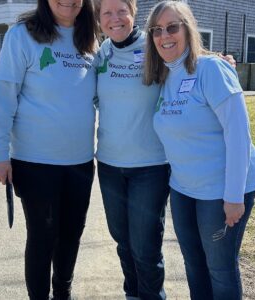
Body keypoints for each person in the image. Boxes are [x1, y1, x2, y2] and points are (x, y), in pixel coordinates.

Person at [144, 1, 255, 300]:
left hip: (222, 189)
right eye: (157, 30)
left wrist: (234, 197)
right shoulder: (165, 75)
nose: (164, 35)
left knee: (220, 270)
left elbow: (238, 135)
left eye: (172, 27)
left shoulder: (211, 69)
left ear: (188, 29)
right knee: (194, 266)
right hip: (184, 189)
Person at [0, 1, 99, 299]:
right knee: (42, 237)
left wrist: (202, 57)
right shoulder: (22, 35)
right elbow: (3, 95)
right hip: (35, 162)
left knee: (72, 235)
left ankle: (63, 293)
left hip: (80, 162)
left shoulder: (91, 39)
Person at [95, 0, 170, 299]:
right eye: (106, 12)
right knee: (123, 241)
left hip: (150, 167)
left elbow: (187, 58)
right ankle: (132, 293)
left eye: (121, 10)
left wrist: (217, 60)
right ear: (99, 19)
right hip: (110, 166)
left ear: (134, 12)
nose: (115, 19)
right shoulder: (103, 51)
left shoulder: (154, 45)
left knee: (145, 246)